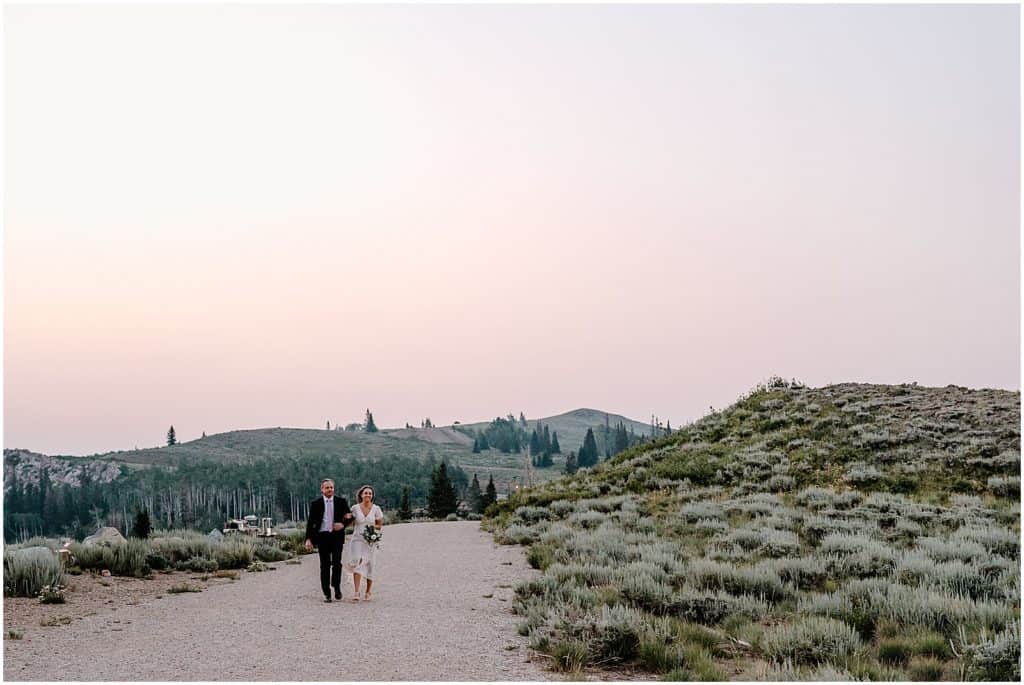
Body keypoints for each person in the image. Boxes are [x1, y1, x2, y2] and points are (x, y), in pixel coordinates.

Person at [304, 479, 354, 602]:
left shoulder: (341, 501)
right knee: (325, 565)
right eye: (327, 488)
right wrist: (308, 539)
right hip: (322, 537)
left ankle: (336, 587)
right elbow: (310, 523)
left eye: (331, 487)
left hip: (336, 537)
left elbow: (349, 516)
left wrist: (342, 524)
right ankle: (326, 592)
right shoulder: (316, 504)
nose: (330, 489)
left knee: (337, 563)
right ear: (322, 489)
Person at [345, 484, 383, 601]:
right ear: (361, 495)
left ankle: (368, 591)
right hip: (357, 539)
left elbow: (379, 525)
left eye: (370, 493)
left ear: (372, 496)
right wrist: (347, 518)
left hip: (370, 540)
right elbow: (350, 524)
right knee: (357, 561)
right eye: (366, 493)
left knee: (370, 564)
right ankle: (356, 592)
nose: (368, 495)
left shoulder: (376, 509)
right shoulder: (355, 508)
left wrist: (371, 530)